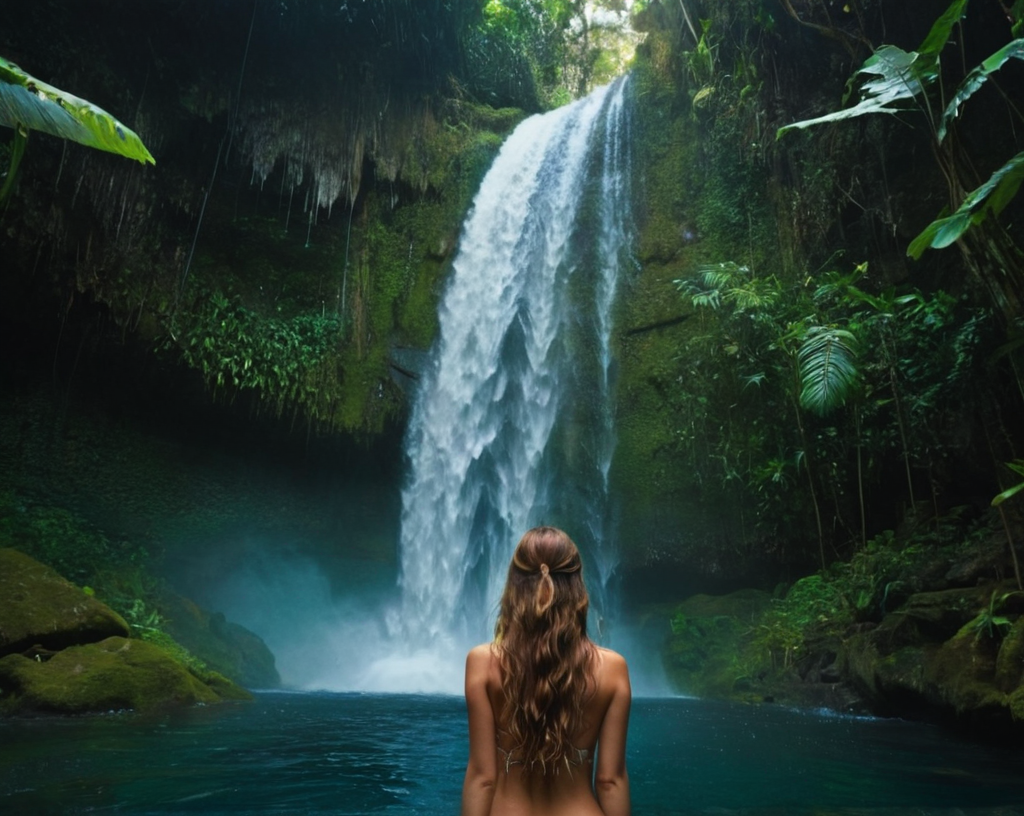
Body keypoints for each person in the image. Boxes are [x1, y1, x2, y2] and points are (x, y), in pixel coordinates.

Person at [461, 526, 631, 816]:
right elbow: (609, 781)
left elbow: (483, 777)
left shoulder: (482, 662)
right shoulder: (613, 668)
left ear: (514, 584)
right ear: (576, 585)